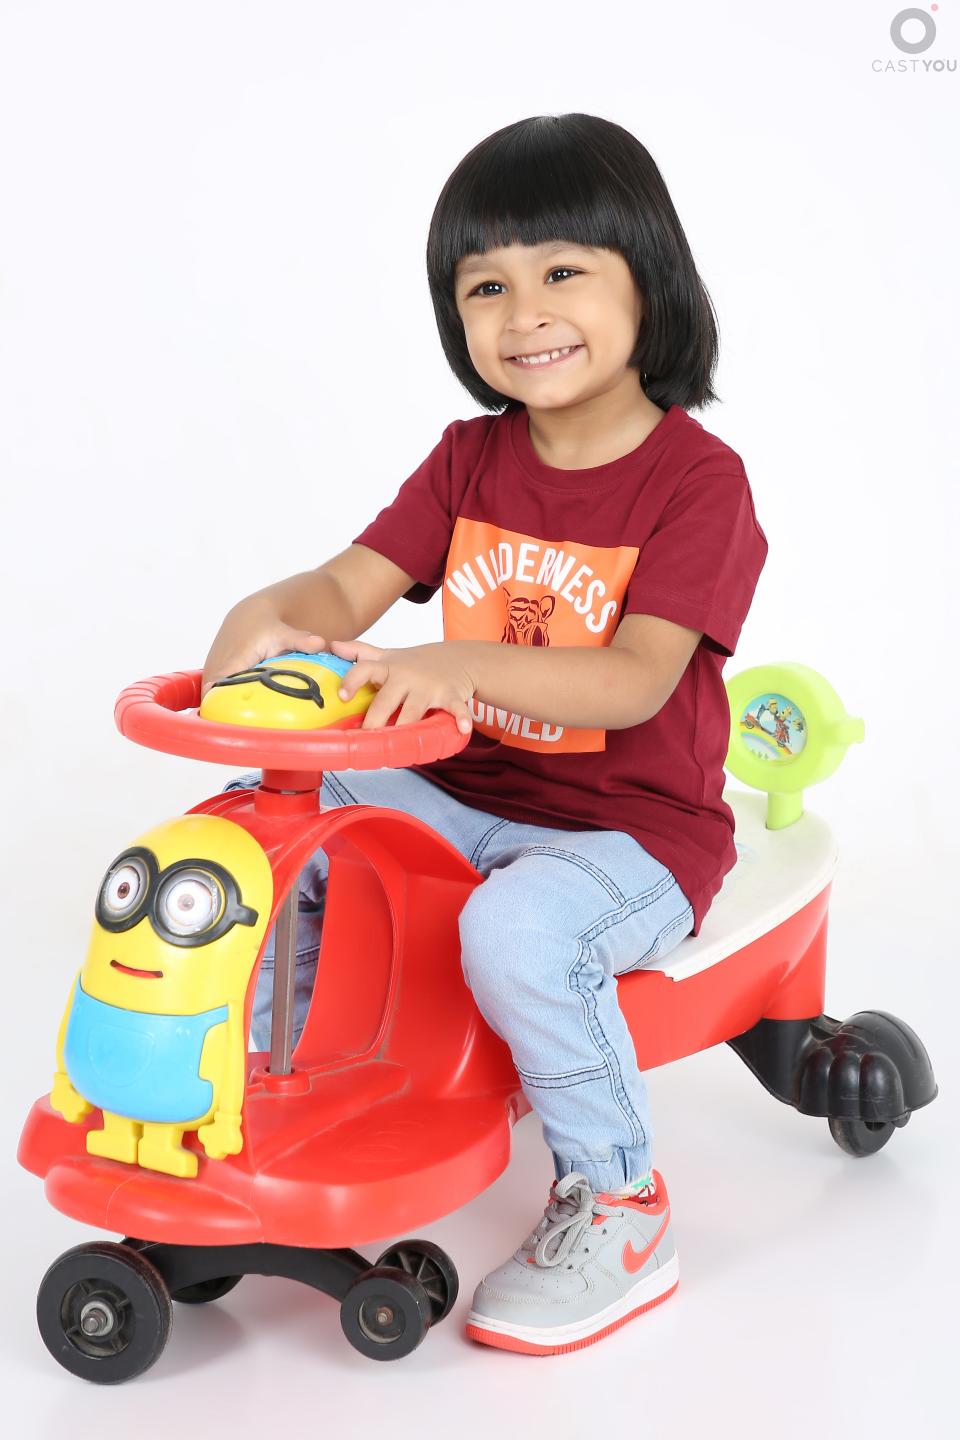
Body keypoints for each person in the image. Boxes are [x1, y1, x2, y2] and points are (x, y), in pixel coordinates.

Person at [202, 112, 768, 1356]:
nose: (525, 314)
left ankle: (619, 1201)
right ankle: (265, 1083)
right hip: (463, 798)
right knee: (269, 827)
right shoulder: (469, 460)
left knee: (518, 930)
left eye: (563, 271)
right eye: (487, 287)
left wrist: (449, 664)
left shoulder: (698, 482)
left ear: (649, 282)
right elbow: (345, 587)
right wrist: (266, 623)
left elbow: (632, 681)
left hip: (633, 834)